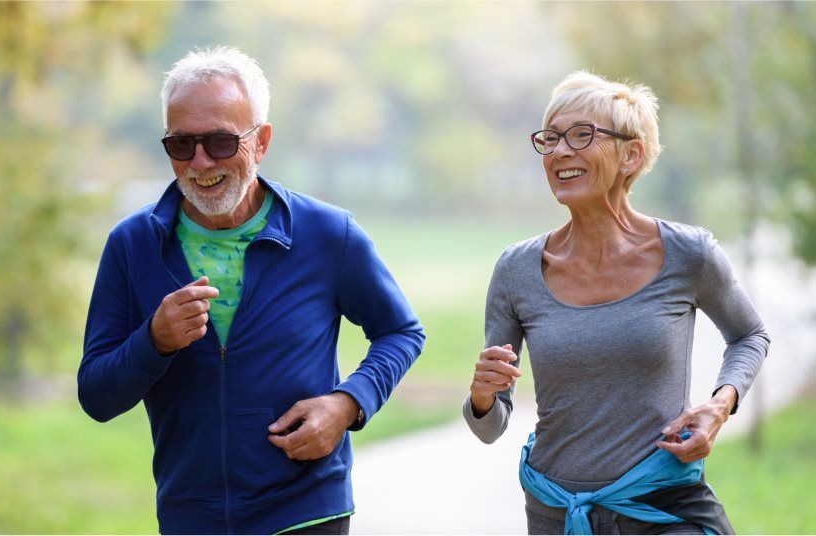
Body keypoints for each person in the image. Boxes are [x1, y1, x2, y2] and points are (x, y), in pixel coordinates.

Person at [78, 47, 424, 535]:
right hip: (190, 518)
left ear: (260, 141)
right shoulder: (132, 246)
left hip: (307, 512)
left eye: (220, 142)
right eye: (181, 144)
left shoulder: (328, 234)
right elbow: (96, 394)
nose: (200, 162)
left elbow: (401, 332)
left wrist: (346, 406)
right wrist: (153, 341)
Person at [463, 71, 769, 535]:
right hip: (555, 511)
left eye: (582, 135)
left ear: (632, 154)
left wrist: (719, 406)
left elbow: (749, 335)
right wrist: (483, 398)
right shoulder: (516, 270)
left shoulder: (689, 253)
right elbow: (490, 426)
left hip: (662, 504)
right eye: (551, 138)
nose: (560, 151)